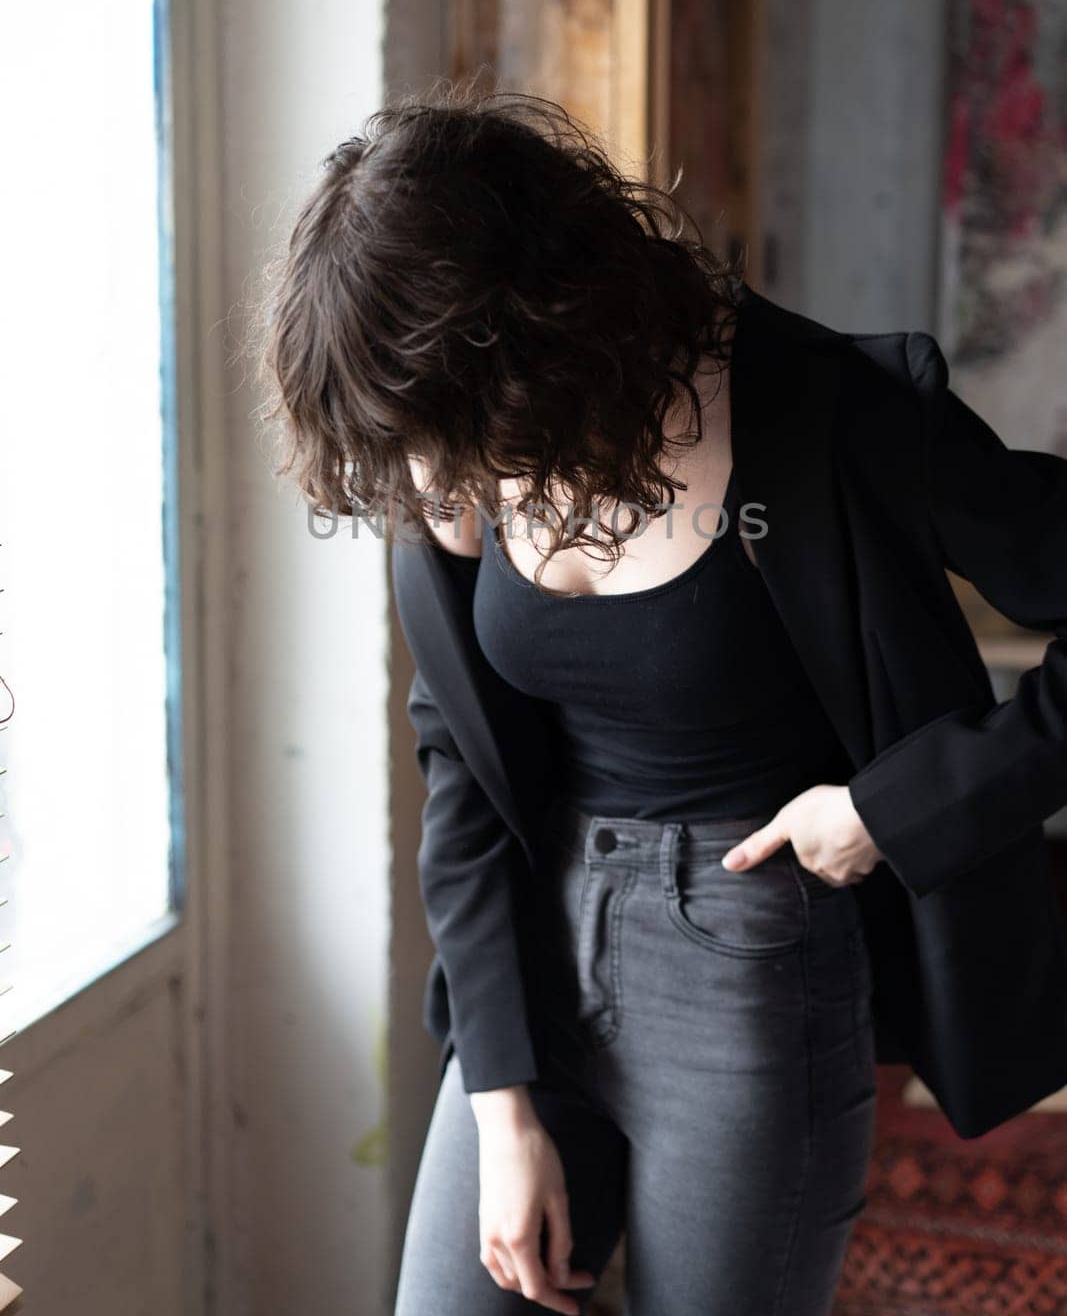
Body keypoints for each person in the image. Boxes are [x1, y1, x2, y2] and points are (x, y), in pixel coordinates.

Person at [254, 82, 1067, 1316]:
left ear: (535, 335)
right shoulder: (452, 449)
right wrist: (501, 1100)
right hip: (530, 958)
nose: (425, 485)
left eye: (444, 439)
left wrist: (892, 810)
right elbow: (463, 764)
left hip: (750, 970)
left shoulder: (827, 416)